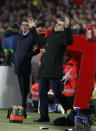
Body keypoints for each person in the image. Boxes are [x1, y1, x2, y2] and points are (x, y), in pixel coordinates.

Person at [34, 16, 74, 122]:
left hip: (54, 70)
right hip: (44, 70)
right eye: (56, 24)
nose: (56, 25)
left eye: (59, 24)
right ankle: (44, 117)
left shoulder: (63, 36)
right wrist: (33, 28)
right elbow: (37, 40)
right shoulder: (50, 36)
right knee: (42, 93)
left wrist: (67, 28)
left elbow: (70, 41)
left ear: (63, 28)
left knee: (57, 93)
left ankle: (71, 112)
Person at [14, 18, 41, 118]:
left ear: (29, 27)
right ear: (21, 26)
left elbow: (37, 41)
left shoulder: (31, 36)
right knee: (22, 88)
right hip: (18, 65)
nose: (25, 26)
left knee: (25, 88)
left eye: (26, 25)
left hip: (25, 66)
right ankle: (23, 106)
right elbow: (17, 49)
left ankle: (23, 106)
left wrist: (31, 54)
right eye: (23, 25)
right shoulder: (19, 37)